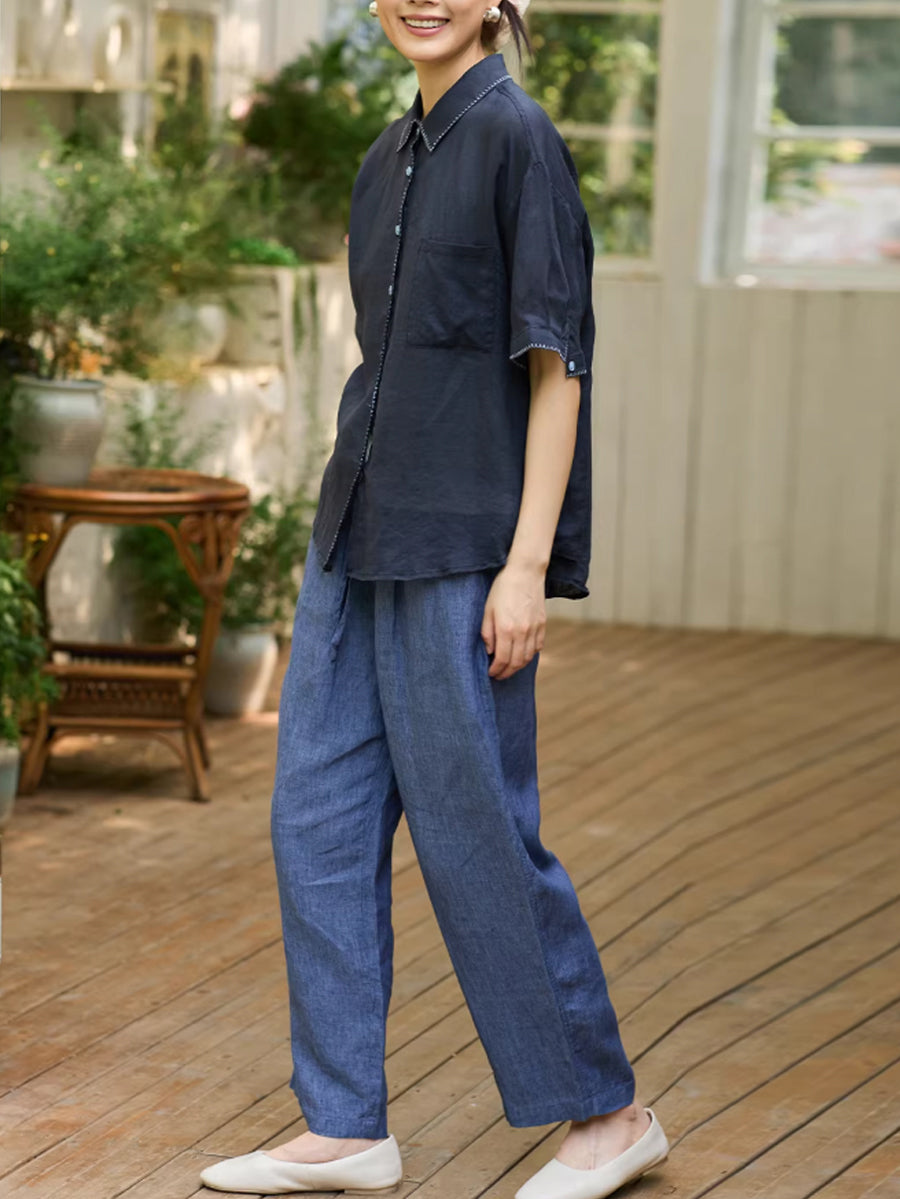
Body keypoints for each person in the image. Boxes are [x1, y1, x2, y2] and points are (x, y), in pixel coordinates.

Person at [200, 1, 670, 1196]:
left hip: (465, 542)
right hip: (357, 526)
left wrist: (527, 564)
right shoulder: (385, 155)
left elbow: (558, 369)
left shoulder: (518, 137)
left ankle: (610, 1114)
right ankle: (345, 1121)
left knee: (477, 833)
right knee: (316, 818)